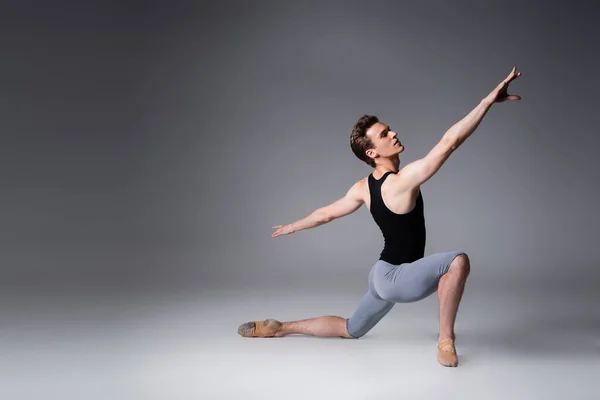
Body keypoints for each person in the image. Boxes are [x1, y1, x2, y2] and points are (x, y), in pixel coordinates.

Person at [238, 66, 522, 367]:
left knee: (351, 329)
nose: (393, 132)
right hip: (396, 278)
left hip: (380, 275)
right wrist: (487, 102)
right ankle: (446, 341)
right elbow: (449, 142)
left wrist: (291, 227)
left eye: (389, 128)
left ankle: (282, 327)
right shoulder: (403, 181)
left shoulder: (362, 188)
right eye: (385, 134)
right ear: (372, 153)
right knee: (458, 261)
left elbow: (325, 215)